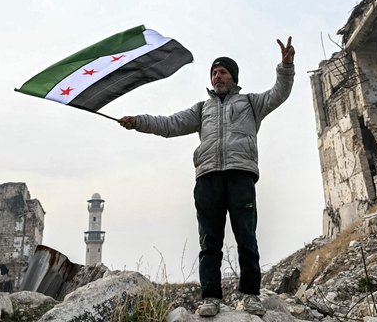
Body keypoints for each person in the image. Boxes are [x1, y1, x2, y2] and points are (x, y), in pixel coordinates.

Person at [119, 37, 295, 317]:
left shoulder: (251, 103)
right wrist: (139, 122)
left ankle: (250, 295)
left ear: (233, 77)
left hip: (241, 175)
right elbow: (169, 124)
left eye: (222, 71)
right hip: (208, 178)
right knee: (209, 242)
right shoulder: (202, 109)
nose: (217, 76)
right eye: (214, 72)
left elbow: (279, 93)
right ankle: (210, 297)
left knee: (246, 237)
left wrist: (285, 66)